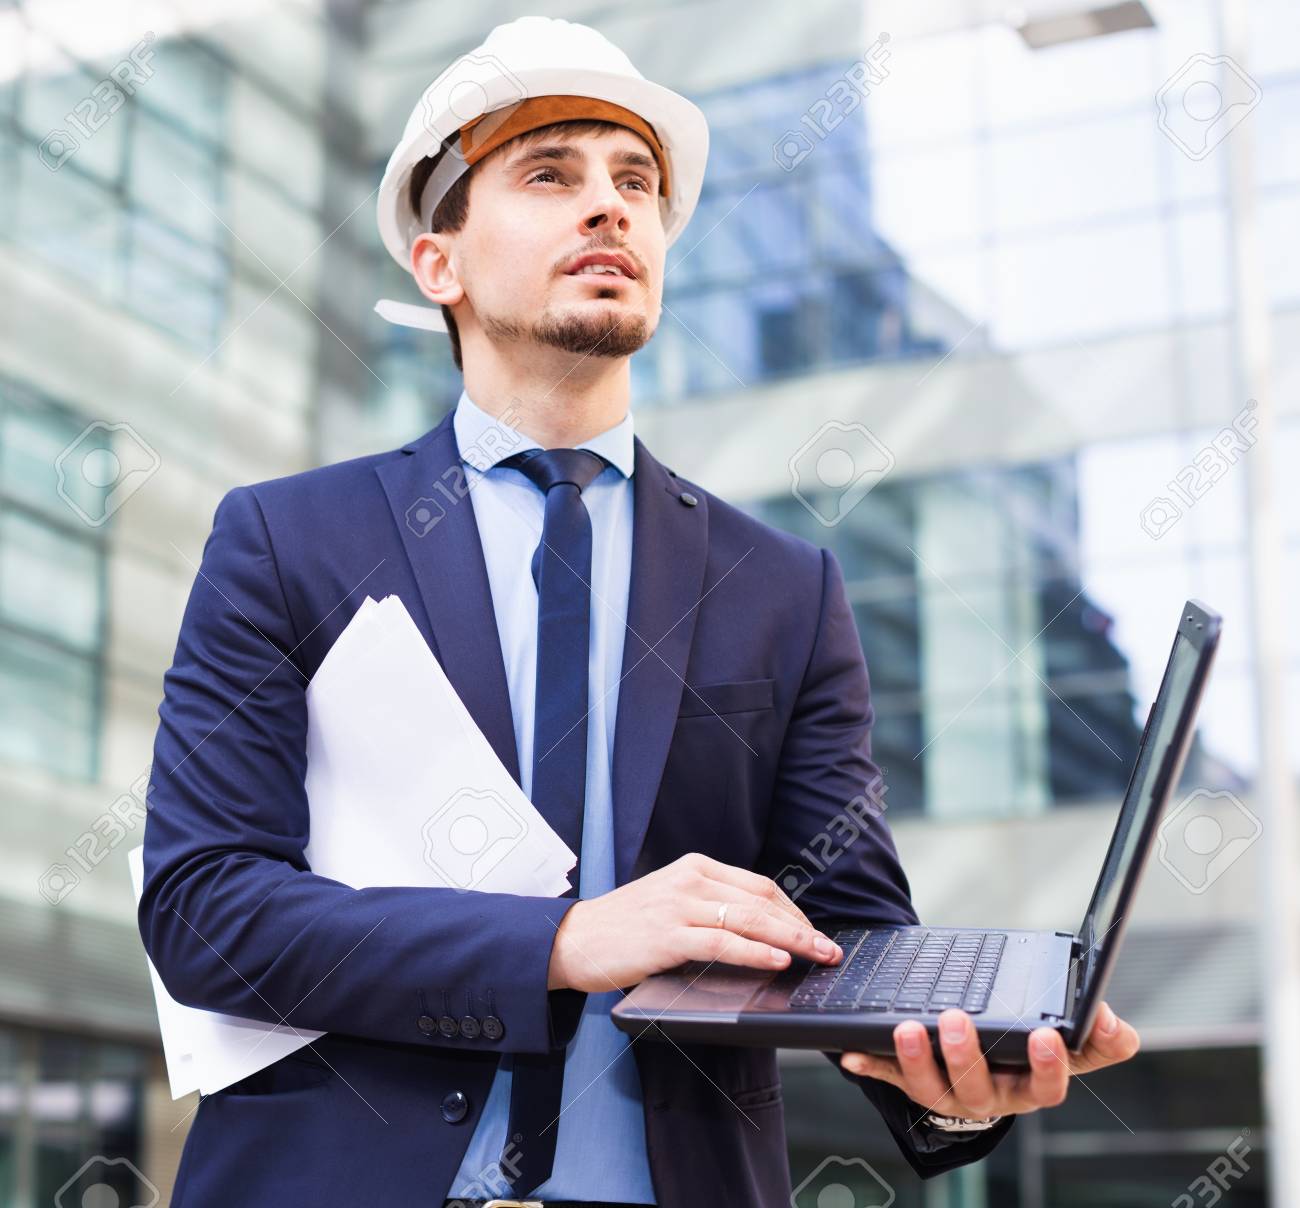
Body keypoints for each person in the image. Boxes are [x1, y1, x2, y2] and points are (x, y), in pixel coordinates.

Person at [137, 15, 1141, 1208]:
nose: (611, 207)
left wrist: (947, 1080)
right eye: (550, 174)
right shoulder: (287, 539)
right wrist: (560, 942)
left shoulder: (783, 586)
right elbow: (205, 907)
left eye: (636, 183)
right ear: (437, 261)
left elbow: (846, 934)